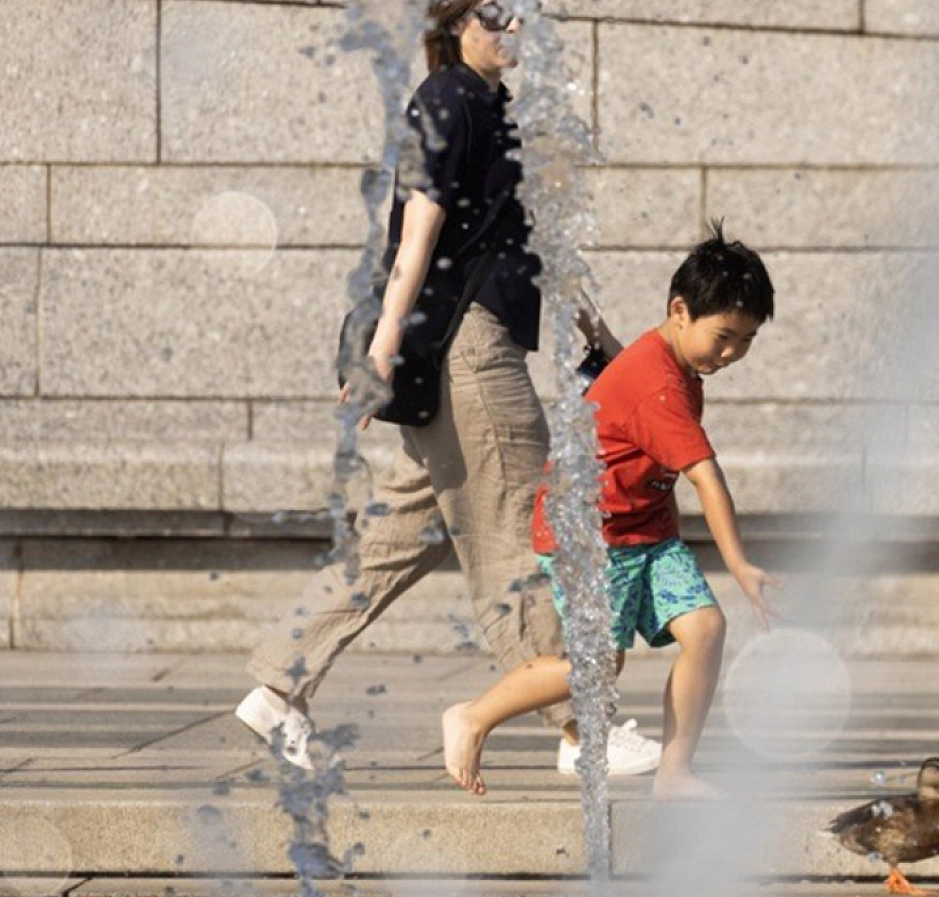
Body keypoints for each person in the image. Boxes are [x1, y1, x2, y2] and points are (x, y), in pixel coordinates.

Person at [235, 0, 659, 778]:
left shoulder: (493, 107)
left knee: (394, 539)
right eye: (499, 13)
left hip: (468, 350)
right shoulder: (448, 98)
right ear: (458, 19)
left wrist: (601, 339)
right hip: (471, 352)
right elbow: (416, 231)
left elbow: (537, 243)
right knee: (522, 531)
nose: (516, 27)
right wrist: (382, 346)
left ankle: (276, 688)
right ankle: (581, 730)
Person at [440, 222, 778, 800]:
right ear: (679, 311)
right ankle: (472, 716)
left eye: (745, 341)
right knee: (595, 665)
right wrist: (740, 565)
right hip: (589, 536)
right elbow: (705, 476)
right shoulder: (656, 385)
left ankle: (674, 775)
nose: (731, 354)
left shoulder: (679, 367)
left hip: (646, 532)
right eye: (723, 337)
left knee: (705, 628)